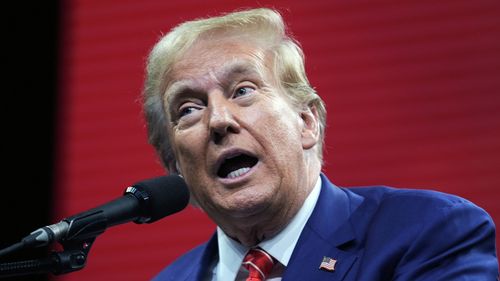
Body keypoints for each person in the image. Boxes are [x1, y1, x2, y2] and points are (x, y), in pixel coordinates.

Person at [142, 7, 498, 281]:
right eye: (188, 109)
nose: (218, 119)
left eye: (243, 91)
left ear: (306, 122)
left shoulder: (428, 234)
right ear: (175, 166)